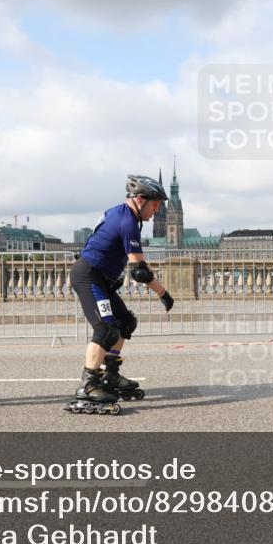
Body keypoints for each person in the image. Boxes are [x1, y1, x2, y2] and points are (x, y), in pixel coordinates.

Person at [66, 174, 174, 414]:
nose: (157, 210)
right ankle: (88, 385)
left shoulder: (120, 213)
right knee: (105, 329)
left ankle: (110, 375)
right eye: (155, 204)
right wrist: (163, 293)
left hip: (100, 278)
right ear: (140, 199)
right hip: (88, 276)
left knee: (126, 322)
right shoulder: (128, 222)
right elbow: (141, 273)